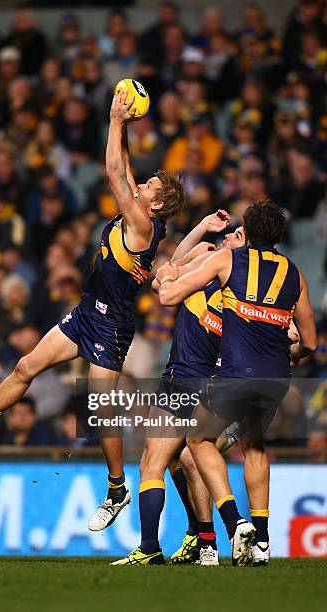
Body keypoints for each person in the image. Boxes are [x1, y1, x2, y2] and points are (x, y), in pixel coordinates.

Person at [0, 91, 185, 533]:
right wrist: (123, 126)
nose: (141, 186)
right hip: (87, 311)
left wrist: (113, 118)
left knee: (99, 409)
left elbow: (112, 171)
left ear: (156, 205)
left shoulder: (143, 225)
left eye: (149, 189)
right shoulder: (139, 214)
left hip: (112, 325)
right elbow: (123, 168)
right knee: (28, 364)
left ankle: (117, 488)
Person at [156, 199, 317, 565]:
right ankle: (261, 541)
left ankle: (234, 521)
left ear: (249, 229)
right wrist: (293, 356)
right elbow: (309, 342)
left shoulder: (228, 259)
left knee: (198, 439)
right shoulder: (295, 273)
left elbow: (167, 297)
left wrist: (167, 275)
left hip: (234, 374)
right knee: (254, 446)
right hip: (275, 378)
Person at [112, 220, 249, 567]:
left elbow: (165, 283)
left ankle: (183, 544)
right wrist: (200, 231)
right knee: (169, 459)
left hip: (203, 384)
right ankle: (191, 540)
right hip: (192, 381)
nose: (228, 235)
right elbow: (162, 275)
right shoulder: (212, 267)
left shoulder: (231, 283)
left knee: (174, 460)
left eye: (238, 234)